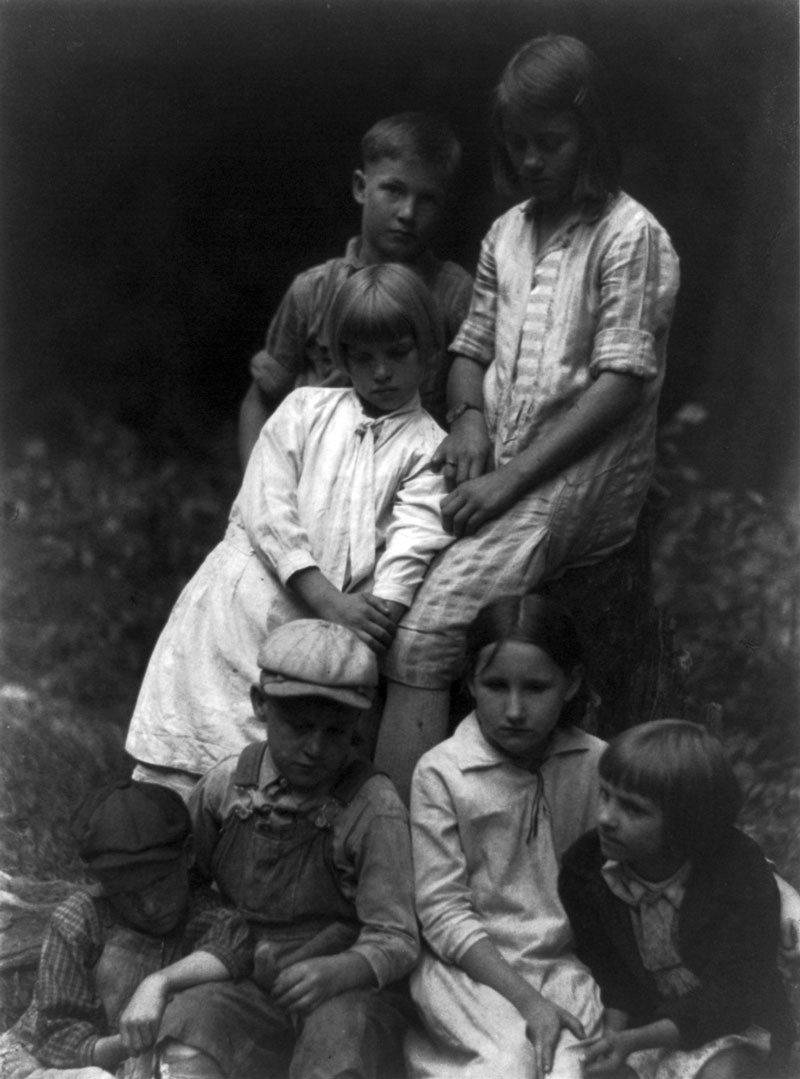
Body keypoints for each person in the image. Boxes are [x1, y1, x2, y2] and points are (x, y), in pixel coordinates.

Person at [377, 34, 681, 799]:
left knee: (424, 633)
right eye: (519, 145)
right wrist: (470, 417)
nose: (534, 160)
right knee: (383, 563)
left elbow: (620, 386)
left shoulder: (629, 235)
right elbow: (472, 347)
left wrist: (508, 481)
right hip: (499, 453)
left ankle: (399, 853)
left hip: (576, 478)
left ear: (593, 132)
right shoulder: (507, 232)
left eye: (552, 142)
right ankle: (360, 807)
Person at [126, 264, 453, 794]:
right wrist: (323, 595)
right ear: (342, 356)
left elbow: (415, 541)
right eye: (363, 357)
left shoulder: (428, 449)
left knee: (279, 764)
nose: (381, 372)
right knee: (189, 745)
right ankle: (159, 832)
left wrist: (375, 614)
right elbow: (268, 507)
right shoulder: (304, 409)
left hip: (328, 627)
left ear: (430, 351)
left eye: (397, 353)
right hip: (244, 601)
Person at [155, 618, 419, 1079]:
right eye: (299, 727)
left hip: (341, 988)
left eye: (335, 732)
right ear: (261, 704)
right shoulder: (226, 786)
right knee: (191, 1021)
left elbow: (396, 936)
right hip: (243, 978)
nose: (314, 748)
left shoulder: (374, 807)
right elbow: (187, 885)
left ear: (359, 722)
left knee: (346, 1037)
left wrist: (341, 970)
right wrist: (223, 948)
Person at [406, 593, 607, 1079]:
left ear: (571, 683)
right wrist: (528, 1002)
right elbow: (442, 911)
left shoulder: (595, 762)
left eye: (536, 688)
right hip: (469, 971)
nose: (515, 709)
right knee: (505, 1065)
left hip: (563, 967)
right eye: (496, 685)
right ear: (471, 681)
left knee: (569, 1071)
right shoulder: (444, 773)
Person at [558, 719, 796, 1079]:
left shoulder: (738, 871)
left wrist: (635, 1041)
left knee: (722, 1074)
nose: (605, 818)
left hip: (734, 1025)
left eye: (633, 809)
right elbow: (612, 974)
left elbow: (732, 994)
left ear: (686, 822)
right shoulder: (586, 869)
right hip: (644, 1020)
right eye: (604, 795)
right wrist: (614, 1041)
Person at [237, 110, 473, 464]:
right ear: (361, 187)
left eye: (427, 199)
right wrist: (255, 492)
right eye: (393, 190)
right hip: (315, 474)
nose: (408, 212)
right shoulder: (313, 290)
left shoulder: (455, 294)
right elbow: (260, 399)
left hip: (408, 482)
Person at [0, 781, 251, 1079]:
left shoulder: (203, 909)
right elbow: (56, 1039)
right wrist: (130, 1042)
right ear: (103, 884)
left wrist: (158, 982)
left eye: (160, 883)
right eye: (126, 894)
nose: (150, 907)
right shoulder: (80, 918)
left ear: (188, 854)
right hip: (73, 1063)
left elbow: (235, 946)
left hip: (162, 1060)